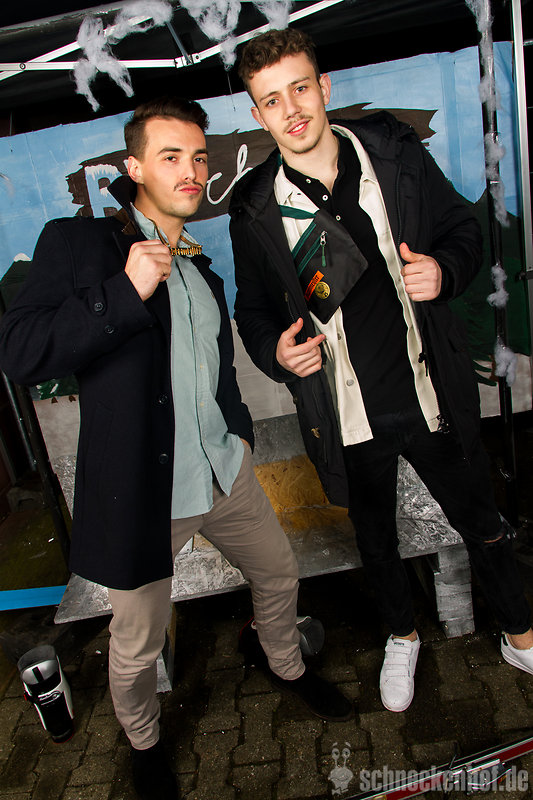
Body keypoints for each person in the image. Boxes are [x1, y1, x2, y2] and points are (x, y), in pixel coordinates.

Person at [0, 96, 352, 800]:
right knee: (135, 644)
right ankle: (143, 741)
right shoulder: (80, 245)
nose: (191, 170)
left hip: (224, 472)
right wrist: (121, 292)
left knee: (279, 575)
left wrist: (239, 433)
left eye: (197, 157)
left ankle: (284, 664)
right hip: (143, 493)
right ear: (134, 168)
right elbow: (21, 351)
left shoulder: (200, 270)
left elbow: (212, 373)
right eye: (170, 157)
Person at [229, 28, 533, 715]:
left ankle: (519, 633)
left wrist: (443, 271)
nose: (291, 110)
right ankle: (402, 635)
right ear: (258, 114)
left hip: (429, 391)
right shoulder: (254, 208)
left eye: (300, 89)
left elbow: (463, 230)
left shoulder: (392, 154)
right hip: (346, 411)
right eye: (272, 100)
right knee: (375, 539)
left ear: (323, 87)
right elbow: (251, 310)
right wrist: (275, 353)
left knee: (481, 520)